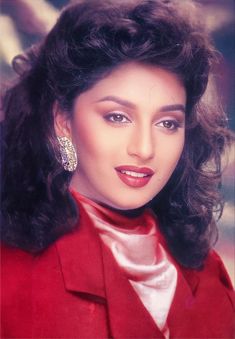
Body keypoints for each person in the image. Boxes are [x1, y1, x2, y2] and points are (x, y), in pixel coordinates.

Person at [1, 0, 234, 338]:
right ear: (63, 121)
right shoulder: (12, 276)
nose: (144, 148)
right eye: (117, 117)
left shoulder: (208, 271)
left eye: (167, 123)